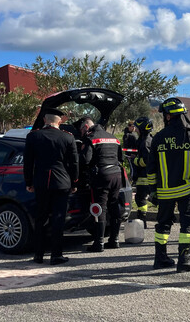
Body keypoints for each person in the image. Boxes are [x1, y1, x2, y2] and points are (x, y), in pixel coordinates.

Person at [147, 98, 190, 272]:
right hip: (187, 190)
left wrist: (153, 191)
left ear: (168, 116)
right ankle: (184, 259)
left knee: (162, 225)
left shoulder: (158, 138)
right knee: (187, 225)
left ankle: (160, 258)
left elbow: (151, 168)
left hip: (164, 192)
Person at [23, 107, 79, 265]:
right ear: (59, 121)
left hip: (41, 182)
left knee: (41, 218)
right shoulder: (67, 138)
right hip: (61, 183)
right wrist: (75, 182)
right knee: (58, 219)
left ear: (44, 120)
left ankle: (38, 255)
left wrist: (28, 182)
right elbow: (74, 163)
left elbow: (28, 163)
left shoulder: (33, 136)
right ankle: (56, 255)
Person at [78, 117, 124, 252]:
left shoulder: (91, 138)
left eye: (81, 130)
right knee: (114, 205)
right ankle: (114, 240)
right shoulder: (113, 137)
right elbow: (120, 158)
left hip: (102, 176)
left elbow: (85, 160)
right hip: (117, 174)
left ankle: (98, 243)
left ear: (86, 127)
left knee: (100, 207)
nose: (81, 133)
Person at [131, 116, 154, 227]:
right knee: (145, 198)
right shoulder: (149, 139)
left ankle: (142, 219)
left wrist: (134, 160)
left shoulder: (145, 142)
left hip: (144, 177)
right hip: (147, 176)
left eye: (137, 128)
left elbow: (146, 161)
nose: (135, 130)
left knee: (140, 199)